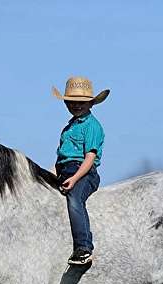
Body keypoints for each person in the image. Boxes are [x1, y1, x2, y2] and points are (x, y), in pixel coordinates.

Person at [52, 76, 110, 265]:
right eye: (71, 102)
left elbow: (89, 158)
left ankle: (84, 249)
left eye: (81, 102)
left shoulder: (92, 126)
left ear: (91, 103)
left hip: (84, 172)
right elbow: (61, 159)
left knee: (75, 199)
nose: (76, 105)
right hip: (64, 170)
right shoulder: (68, 128)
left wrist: (75, 178)